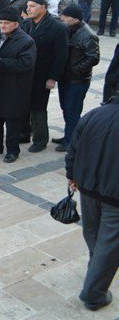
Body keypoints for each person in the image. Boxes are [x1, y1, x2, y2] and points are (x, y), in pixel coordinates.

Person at [66, 85, 119, 312]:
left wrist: (72, 176)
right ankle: (94, 293)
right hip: (114, 195)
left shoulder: (94, 114)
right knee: (108, 245)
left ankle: (95, 271)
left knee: (94, 235)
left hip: (88, 188)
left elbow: (74, 149)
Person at [0, 7, 36, 163]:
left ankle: (12, 150)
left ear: (15, 24)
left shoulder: (26, 42)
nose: (2, 26)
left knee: (12, 122)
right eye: (1, 22)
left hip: (14, 88)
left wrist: (1, 62)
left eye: (6, 23)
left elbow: (26, 64)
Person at [21, 0, 68, 153]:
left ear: (43, 7)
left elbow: (61, 55)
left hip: (42, 74)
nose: (29, 9)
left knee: (38, 108)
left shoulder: (58, 27)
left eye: (32, 6)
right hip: (26, 72)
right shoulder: (26, 23)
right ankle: (24, 133)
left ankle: (40, 140)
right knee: (24, 104)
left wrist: (53, 77)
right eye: (28, 6)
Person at [53, 4, 100, 153]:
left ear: (75, 19)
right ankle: (69, 134)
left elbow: (93, 57)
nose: (62, 18)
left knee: (72, 110)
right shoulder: (68, 30)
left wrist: (76, 70)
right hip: (65, 78)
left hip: (77, 81)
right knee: (66, 108)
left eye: (65, 17)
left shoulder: (88, 35)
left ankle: (71, 141)